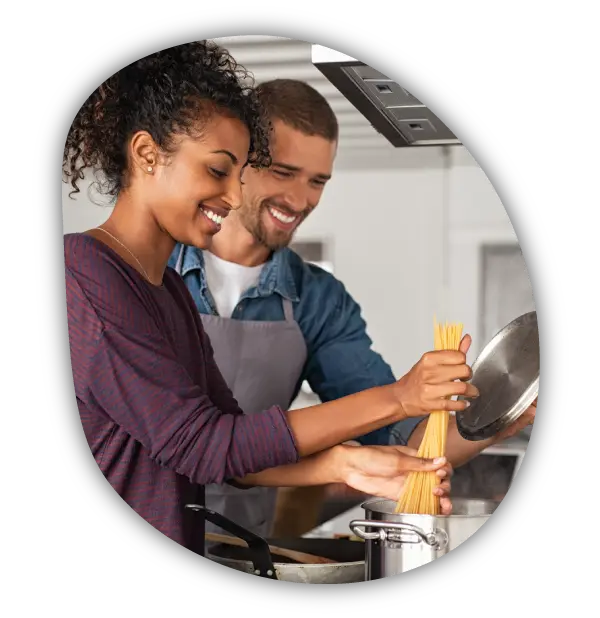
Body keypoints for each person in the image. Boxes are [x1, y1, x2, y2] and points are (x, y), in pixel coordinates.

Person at [62, 42, 478, 558]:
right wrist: (398, 395)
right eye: (218, 171)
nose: (233, 197)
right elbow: (205, 446)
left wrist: (345, 464)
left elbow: (233, 446)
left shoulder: (165, 291)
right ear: (147, 154)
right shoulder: (84, 277)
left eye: (237, 176)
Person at [169, 78, 537, 538]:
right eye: (283, 173)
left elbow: (399, 441)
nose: (300, 200)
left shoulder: (319, 300)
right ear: (239, 161)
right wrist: (396, 401)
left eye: (317, 181)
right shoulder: (153, 271)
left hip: (244, 542)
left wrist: (506, 414)